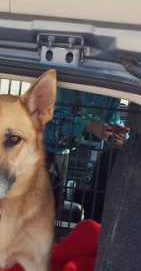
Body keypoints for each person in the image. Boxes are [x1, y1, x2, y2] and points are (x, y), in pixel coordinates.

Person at [43, 89, 127, 221]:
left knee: (54, 201)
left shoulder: (112, 95)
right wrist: (89, 127)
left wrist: (118, 135)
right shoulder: (69, 88)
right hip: (44, 146)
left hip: (63, 150)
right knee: (44, 200)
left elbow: (112, 118)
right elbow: (55, 119)